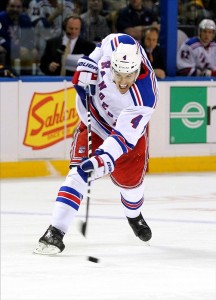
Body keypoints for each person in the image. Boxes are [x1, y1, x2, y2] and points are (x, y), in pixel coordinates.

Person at [33, 32, 159, 255]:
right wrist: (90, 61)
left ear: (137, 70)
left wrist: (103, 159)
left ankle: (134, 216)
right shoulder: (121, 44)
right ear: (112, 66)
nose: (122, 82)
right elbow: (103, 44)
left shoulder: (145, 98)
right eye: (118, 74)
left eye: (128, 76)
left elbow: (122, 138)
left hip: (125, 138)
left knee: (131, 185)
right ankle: (55, 231)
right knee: (77, 174)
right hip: (95, 121)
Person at [0, 0, 37, 75]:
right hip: (6, 48)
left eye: (18, 7)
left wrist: (29, 48)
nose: (15, 9)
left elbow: (30, 38)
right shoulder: (1, 18)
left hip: (20, 48)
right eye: (12, 6)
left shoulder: (25, 19)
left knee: (34, 51)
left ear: (22, 8)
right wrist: (17, 49)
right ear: (7, 7)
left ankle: (28, 77)